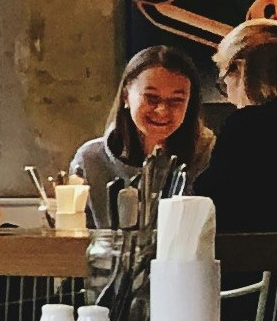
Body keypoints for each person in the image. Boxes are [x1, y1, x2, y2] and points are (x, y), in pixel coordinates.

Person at [192, 20, 277, 232]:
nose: (227, 94)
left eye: (224, 80)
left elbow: (214, 207)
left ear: (239, 69)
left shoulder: (247, 126)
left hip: (262, 261)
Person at [70, 47, 210, 216]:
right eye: (151, 98)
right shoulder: (91, 159)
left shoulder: (209, 155)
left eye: (176, 101)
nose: (162, 110)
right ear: (125, 97)